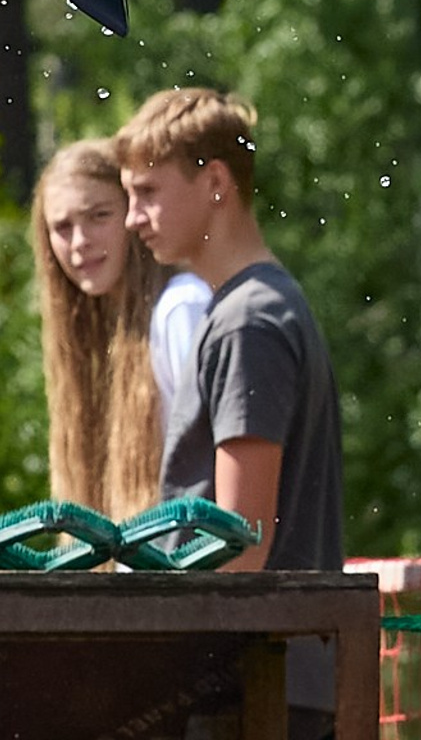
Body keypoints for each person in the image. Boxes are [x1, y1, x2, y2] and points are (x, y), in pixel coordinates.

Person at [117, 87, 344, 736]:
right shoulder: (252, 307)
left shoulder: (251, 323)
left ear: (214, 181)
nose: (134, 217)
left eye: (149, 192)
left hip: (261, 690)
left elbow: (239, 544)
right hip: (265, 681)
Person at [32, 136, 212, 515]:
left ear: (133, 216)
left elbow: (216, 478)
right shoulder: (99, 338)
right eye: (62, 227)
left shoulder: (181, 308)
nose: (80, 242)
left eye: (99, 216)